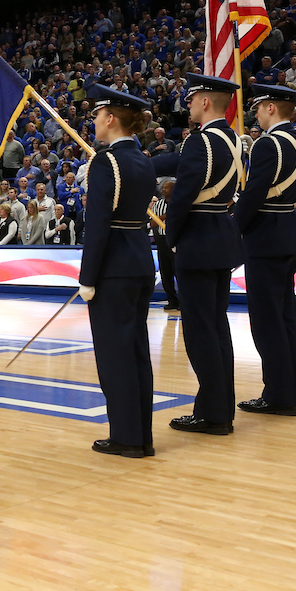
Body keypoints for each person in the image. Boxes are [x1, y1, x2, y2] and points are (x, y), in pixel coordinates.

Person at [153, 73, 245, 436]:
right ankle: (219, 407)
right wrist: (141, 162)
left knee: (200, 331)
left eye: (192, 99)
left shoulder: (200, 141)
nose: (188, 104)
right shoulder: (233, 139)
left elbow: (182, 196)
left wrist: (172, 238)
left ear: (205, 102)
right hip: (221, 238)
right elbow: (178, 163)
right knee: (216, 328)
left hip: (197, 241)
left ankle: (213, 415)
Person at [77, 85, 157, 458]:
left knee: (115, 356)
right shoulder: (142, 159)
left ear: (110, 119)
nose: (93, 121)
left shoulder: (105, 162)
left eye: (97, 115)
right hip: (140, 259)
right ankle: (141, 434)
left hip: (113, 267)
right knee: (136, 351)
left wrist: (87, 277)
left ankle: (126, 437)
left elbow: (98, 224)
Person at [230, 85, 296, 416]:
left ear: (272, 109)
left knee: (267, 322)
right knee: (286, 319)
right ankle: (290, 392)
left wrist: (233, 230)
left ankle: (277, 395)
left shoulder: (268, 144)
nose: (257, 113)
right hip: (289, 231)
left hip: (266, 238)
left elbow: (255, 194)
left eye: (261, 107)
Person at [151, 180, 179, 310]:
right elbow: (152, 223)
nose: (163, 189)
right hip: (161, 240)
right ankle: (171, 300)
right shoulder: (159, 204)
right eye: (163, 187)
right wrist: (164, 217)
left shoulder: (179, 203)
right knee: (165, 272)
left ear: (173, 189)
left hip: (176, 240)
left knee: (178, 272)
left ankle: (184, 301)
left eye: (167, 188)